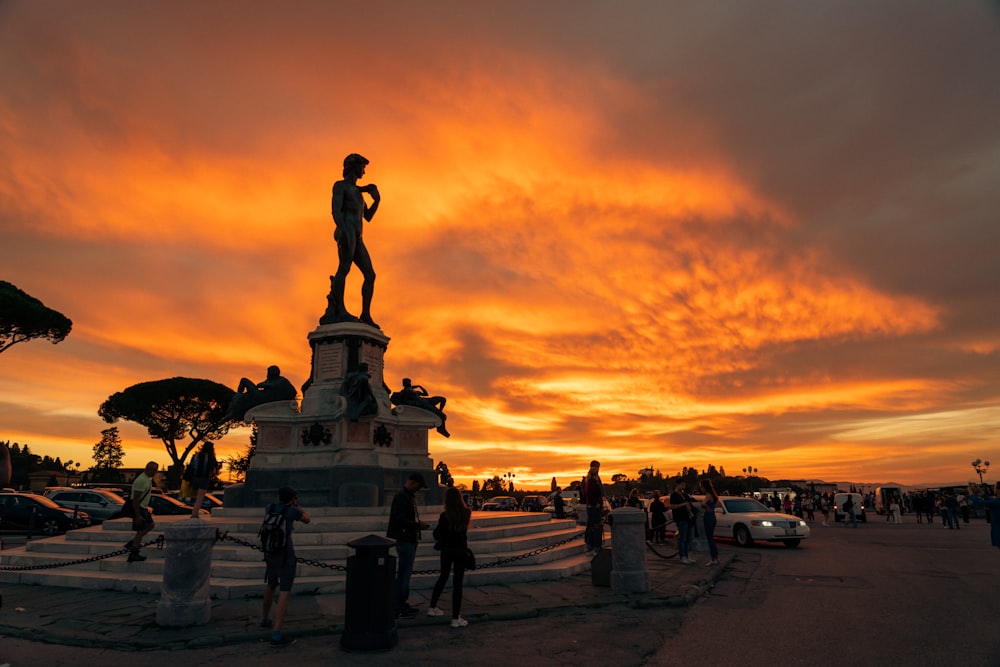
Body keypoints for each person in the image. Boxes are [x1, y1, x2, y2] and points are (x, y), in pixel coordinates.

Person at [321, 153, 381, 328]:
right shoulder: (341, 187)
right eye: (362, 166)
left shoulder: (358, 193)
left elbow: (368, 216)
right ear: (354, 166)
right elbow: (335, 211)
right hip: (346, 231)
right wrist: (344, 230)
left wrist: (377, 200)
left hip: (358, 235)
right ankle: (339, 309)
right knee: (344, 267)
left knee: (370, 274)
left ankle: (366, 314)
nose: (364, 170)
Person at [260, 486, 311, 647]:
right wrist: (296, 505)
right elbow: (307, 519)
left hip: (270, 552)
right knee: (285, 591)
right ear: (292, 498)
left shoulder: (270, 507)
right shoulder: (292, 511)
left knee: (271, 584)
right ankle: (276, 633)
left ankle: (265, 619)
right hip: (285, 554)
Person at [427, 487, 473, 628]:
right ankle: (455, 618)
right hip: (460, 550)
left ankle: (432, 607)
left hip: (447, 550)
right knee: (457, 583)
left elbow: (437, 534)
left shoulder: (444, 516)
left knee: (443, 577)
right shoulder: (466, 513)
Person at [387, 473, 430, 618]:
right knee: (404, 574)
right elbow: (399, 519)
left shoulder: (407, 496)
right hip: (405, 539)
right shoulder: (401, 497)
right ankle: (398, 606)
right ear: (412, 482)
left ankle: (402, 603)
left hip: (409, 538)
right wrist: (417, 525)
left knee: (406, 574)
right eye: (418, 486)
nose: (418, 490)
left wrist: (417, 525)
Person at [224, 365, 297, 422]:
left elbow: (293, 392)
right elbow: (260, 384)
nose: (267, 374)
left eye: (268, 372)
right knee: (240, 396)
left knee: (244, 380)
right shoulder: (270, 380)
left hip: (262, 397)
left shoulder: (281, 380)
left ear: (273, 372)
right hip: (261, 395)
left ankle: (231, 412)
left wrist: (270, 386)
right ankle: (231, 411)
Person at [125, 461, 158, 563]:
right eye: (154, 470)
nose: (155, 472)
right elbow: (135, 499)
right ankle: (133, 553)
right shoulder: (142, 480)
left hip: (143, 508)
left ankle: (133, 543)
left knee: (150, 525)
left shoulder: (147, 479)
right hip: (139, 508)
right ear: (149, 469)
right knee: (141, 530)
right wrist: (138, 515)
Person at [581, 461, 605, 555]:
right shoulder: (592, 479)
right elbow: (591, 493)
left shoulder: (590, 479)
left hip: (592, 505)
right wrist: (596, 503)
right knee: (595, 526)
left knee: (592, 525)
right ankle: (594, 546)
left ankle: (591, 545)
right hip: (594, 506)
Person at [189, 441, 217, 518]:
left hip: (195, 478)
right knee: (200, 497)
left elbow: (191, 465)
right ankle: (195, 513)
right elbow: (213, 469)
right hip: (204, 478)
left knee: (195, 497)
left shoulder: (196, 455)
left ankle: (194, 512)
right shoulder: (211, 457)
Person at [968, 482, 1000, 551]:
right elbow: (989, 499)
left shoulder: (996, 502)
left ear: (998, 490)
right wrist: (979, 490)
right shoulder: (996, 501)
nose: (994, 489)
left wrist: (970, 492)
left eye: (995, 488)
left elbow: (978, 502)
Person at [669, 479, 695, 563]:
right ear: (678, 485)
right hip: (680, 518)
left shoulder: (684, 495)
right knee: (682, 538)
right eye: (682, 485)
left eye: (684, 485)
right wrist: (683, 505)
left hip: (688, 518)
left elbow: (690, 503)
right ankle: (682, 556)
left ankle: (686, 556)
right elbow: (672, 506)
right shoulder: (674, 495)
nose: (684, 487)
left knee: (689, 538)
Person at [699, 479, 721, 566]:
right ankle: (716, 558)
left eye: (701, 487)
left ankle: (713, 559)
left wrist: (706, 506)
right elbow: (718, 504)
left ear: (704, 487)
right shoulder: (714, 495)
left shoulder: (708, 495)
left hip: (708, 516)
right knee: (711, 538)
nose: (701, 489)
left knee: (710, 539)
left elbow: (703, 504)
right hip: (713, 516)